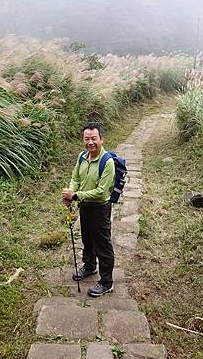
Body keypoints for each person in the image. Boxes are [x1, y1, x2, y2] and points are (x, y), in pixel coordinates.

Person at [62, 121, 115, 297]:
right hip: (84, 206)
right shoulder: (82, 156)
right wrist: (71, 191)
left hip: (100, 208)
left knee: (103, 245)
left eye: (94, 138)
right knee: (87, 239)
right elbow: (75, 177)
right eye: (86, 139)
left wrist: (75, 196)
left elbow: (101, 193)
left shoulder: (107, 162)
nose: (90, 142)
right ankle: (90, 266)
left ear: (101, 140)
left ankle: (106, 282)